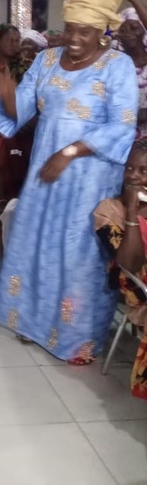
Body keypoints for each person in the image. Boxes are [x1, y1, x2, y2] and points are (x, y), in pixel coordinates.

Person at [0, 0, 138, 364]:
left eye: (84, 31)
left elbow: (122, 126)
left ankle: (76, 339)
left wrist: (70, 152)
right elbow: (21, 109)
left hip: (89, 180)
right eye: (70, 28)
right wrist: (7, 92)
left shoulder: (117, 66)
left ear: (102, 29)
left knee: (77, 255)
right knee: (37, 244)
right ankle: (32, 322)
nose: (74, 38)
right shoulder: (46, 60)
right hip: (46, 174)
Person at [94, 140, 147, 399]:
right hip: (138, 286)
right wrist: (133, 212)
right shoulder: (109, 209)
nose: (133, 175)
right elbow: (129, 264)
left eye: (143, 171)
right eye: (129, 168)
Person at [116, 0, 147, 138]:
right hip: (128, 138)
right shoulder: (115, 66)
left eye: (134, 27)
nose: (129, 33)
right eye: (123, 30)